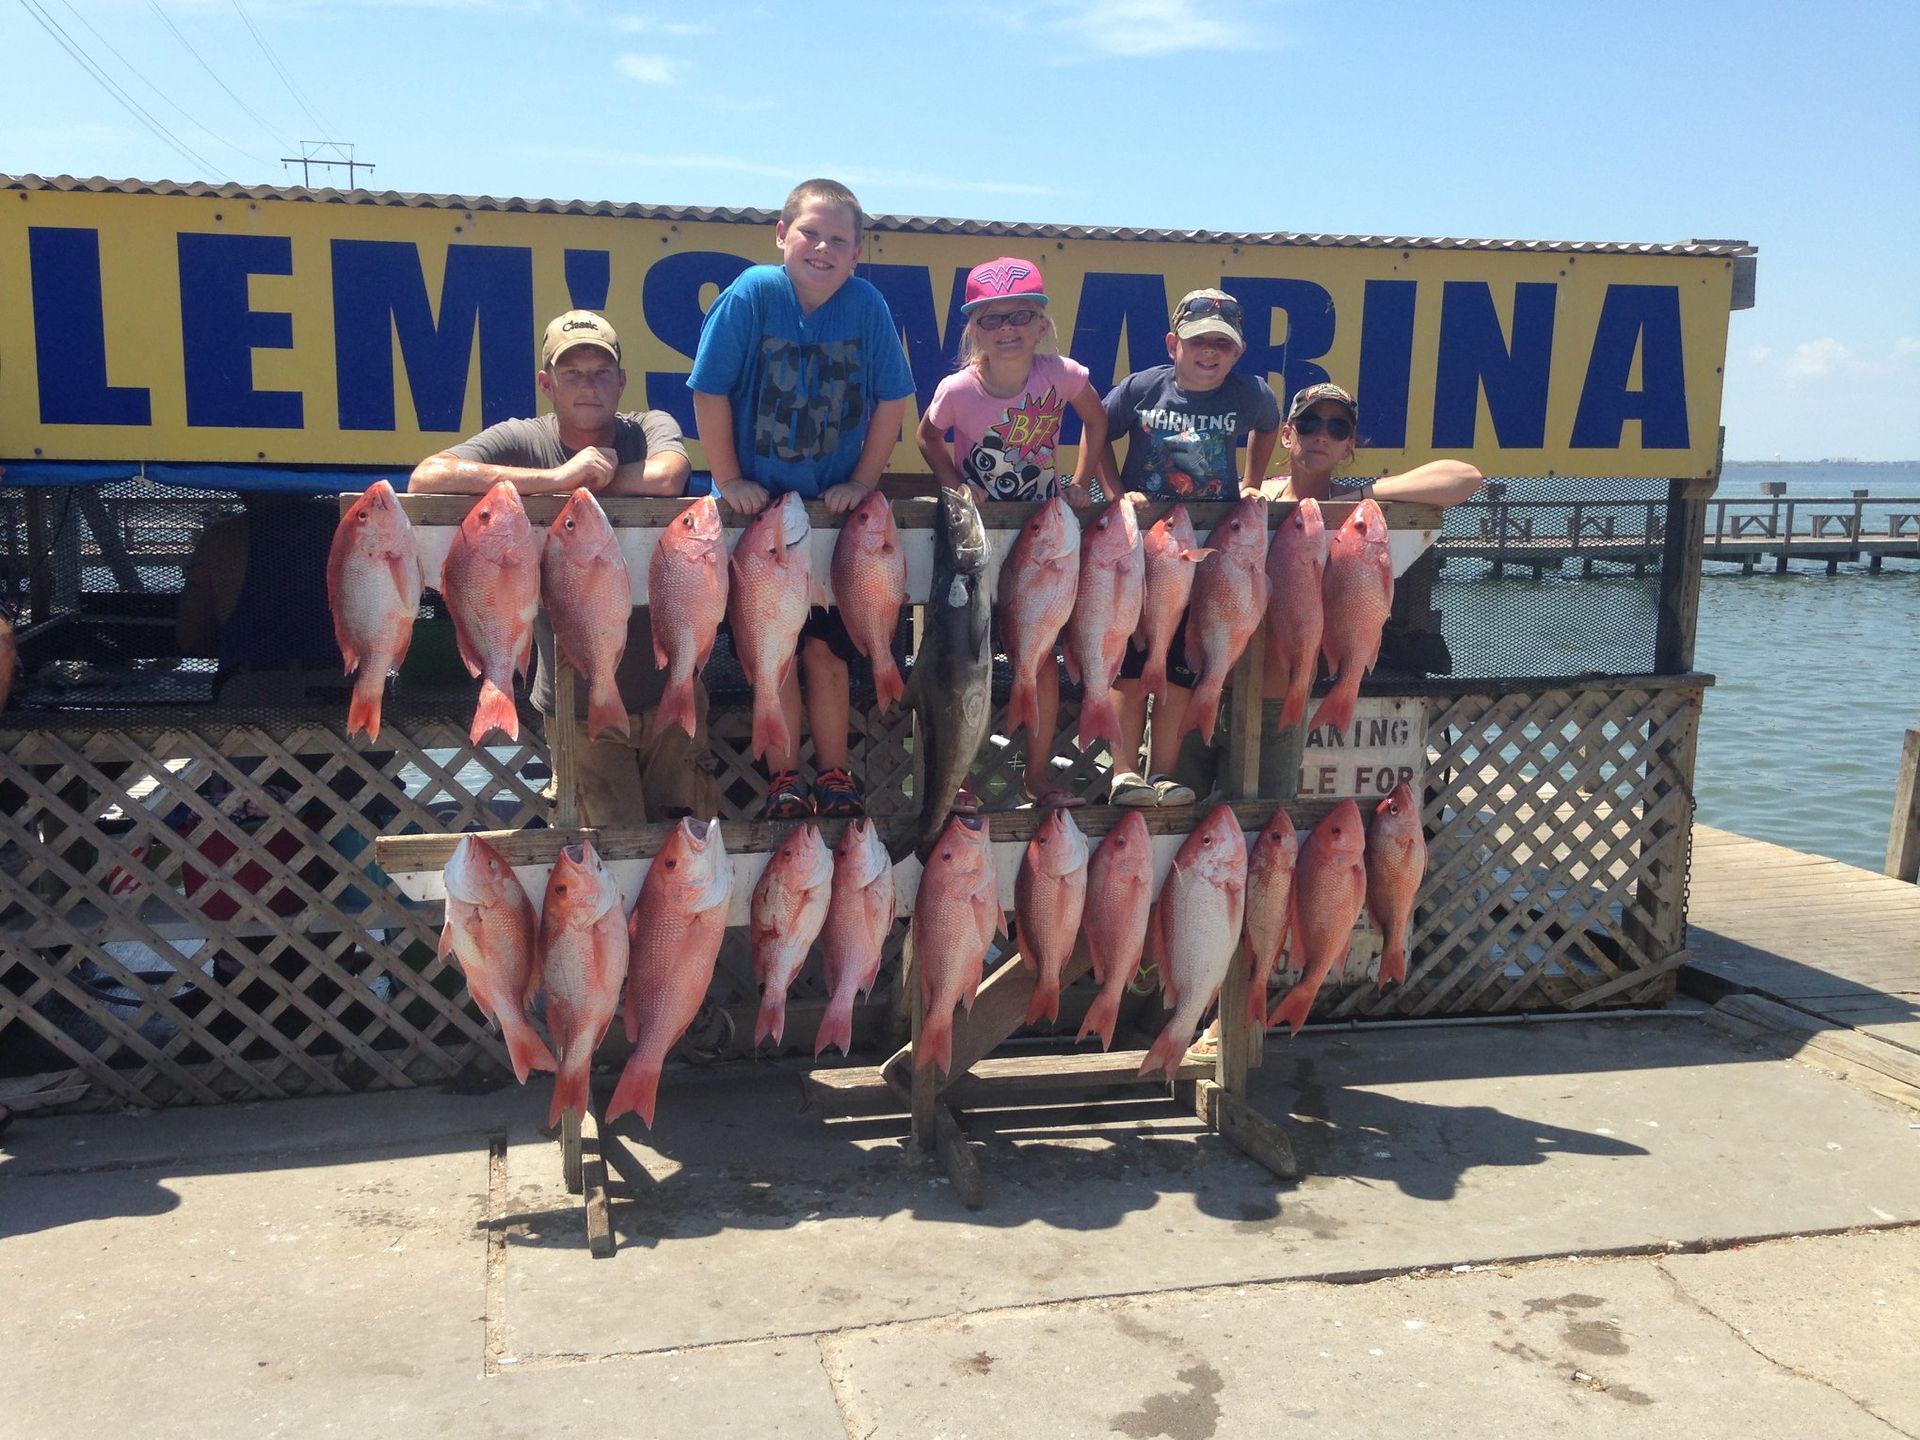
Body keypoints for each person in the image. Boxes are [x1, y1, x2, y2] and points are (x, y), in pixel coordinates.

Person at [409, 309, 714, 826]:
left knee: (684, 855)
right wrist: (557, 478)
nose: (588, 385)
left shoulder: (650, 426)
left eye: (601, 372)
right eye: (572, 373)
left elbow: (669, 476)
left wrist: (590, 483)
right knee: (603, 855)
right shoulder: (525, 439)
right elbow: (427, 476)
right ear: (546, 384)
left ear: (622, 381)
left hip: (673, 688)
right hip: (578, 704)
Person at [688, 178, 916, 819]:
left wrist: (864, 482)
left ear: (858, 253)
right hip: (757, 520)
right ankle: (785, 777)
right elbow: (709, 389)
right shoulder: (752, 294)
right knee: (775, 653)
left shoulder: (867, 306)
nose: (822, 247)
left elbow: (893, 399)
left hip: (829, 519)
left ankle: (836, 775)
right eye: (810, 233)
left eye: (838, 239)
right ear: (781, 236)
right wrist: (729, 479)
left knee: (828, 651)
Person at [916, 255, 1107, 805]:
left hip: (1039, 529)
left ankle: (1038, 775)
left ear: (1042, 323)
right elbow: (929, 438)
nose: (1008, 330)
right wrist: (956, 484)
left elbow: (1096, 421)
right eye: (992, 319)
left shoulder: (1062, 374)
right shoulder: (957, 389)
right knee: (962, 654)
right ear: (973, 328)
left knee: (1038, 655)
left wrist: (1080, 482)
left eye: (1020, 316)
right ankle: (960, 779)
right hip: (977, 535)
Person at [1095, 289, 1281, 807]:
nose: (1210, 353)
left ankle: (1166, 774)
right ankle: (1125, 774)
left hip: (1211, 550)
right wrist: (1113, 493)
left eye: (1222, 345)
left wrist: (1252, 480)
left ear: (1237, 353)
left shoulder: (1250, 394)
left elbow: (1268, 425)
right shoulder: (1141, 389)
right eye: (1199, 342)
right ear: (1174, 343)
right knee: (1131, 658)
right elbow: (1097, 430)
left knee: (1182, 664)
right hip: (1145, 548)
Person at [177, 491, 342, 704]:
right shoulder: (344, 525)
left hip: (253, 684)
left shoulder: (224, 537)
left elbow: (191, 635)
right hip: (345, 681)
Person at [1262, 381, 1484, 507]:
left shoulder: (1358, 502)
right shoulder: (1259, 495)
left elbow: (1467, 478)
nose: (1322, 436)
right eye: (1310, 423)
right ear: (1286, 435)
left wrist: (1358, 496)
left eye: (1337, 429)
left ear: (1348, 447)